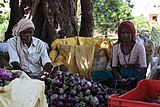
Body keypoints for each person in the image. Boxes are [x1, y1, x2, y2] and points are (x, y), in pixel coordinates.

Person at [112, 20, 147, 89]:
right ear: (119, 35)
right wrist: (119, 77)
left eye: (128, 32)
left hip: (135, 73)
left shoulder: (139, 47)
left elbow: (144, 68)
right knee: (98, 74)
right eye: (123, 33)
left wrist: (133, 79)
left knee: (140, 81)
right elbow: (114, 66)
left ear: (132, 34)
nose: (125, 35)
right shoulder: (116, 47)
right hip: (122, 72)